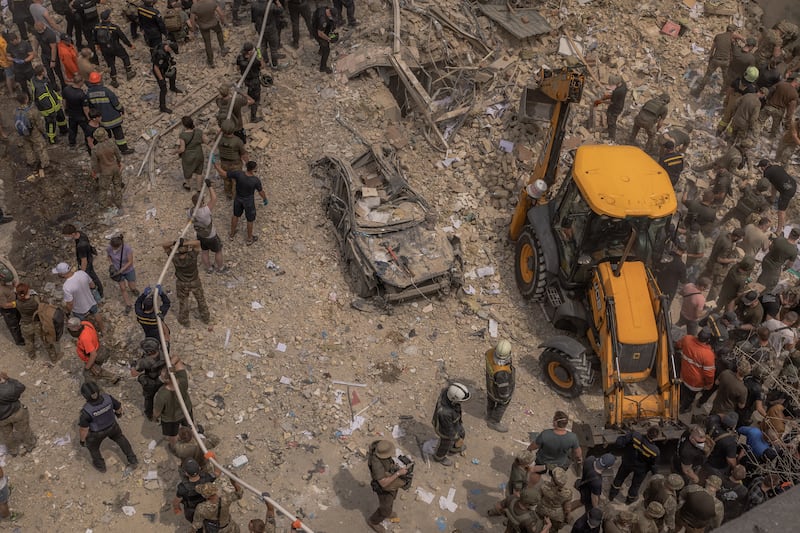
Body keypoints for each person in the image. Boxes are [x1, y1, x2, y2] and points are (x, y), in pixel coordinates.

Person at [77, 381, 137, 472]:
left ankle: (101, 467)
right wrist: (119, 414)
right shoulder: (108, 398)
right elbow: (118, 408)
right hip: (112, 426)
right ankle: (132, 460)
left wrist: (82, 441)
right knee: (120, 439)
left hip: (96, 433)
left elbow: (83, 429)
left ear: (85, 396)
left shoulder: (86, 411)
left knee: (93, 448)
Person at [214, 160, 268, 246]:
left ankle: (232, 234)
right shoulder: (255, 180)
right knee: (250, 219)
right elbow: (261, 192)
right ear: (253, 169)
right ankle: (249, 239)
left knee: (235, 215)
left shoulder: (239, 174)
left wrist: (216, 166)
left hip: (238, 199)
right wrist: (265, 199)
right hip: (248, 202)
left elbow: (224, 174)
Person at [162, 239, 209, 327]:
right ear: (187, 248)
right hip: (194, 281)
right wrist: (185, 243)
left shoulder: (174, 257)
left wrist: (175, 243)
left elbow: (164, 245)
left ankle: (184, 320)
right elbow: (198, 242)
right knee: (200, 299)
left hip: (182, 283)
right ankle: (205, 317)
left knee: (183, 302)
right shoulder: (192, 255)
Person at [85, 71, 134, 153]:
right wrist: (121, 109)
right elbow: (116, 103)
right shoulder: (106, 91)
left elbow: (91, 107)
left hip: (102, 120)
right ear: (99, 80)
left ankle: (109, 151)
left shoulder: (89, 94)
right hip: (114, 118)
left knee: (106, 136)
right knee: (119, 135)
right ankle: (124, 149)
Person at [527, 411, 582, 483]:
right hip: (560, 464)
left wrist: (529, 450)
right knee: (556, 478)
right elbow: (578, 453)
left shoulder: (545, 434)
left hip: (542, 461)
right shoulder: (572, 437)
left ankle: (531, 486)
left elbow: (534, 446)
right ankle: (551, 487)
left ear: (556, 423)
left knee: (537, 473)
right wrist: (579, 459)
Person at [609, 427, 660, 505]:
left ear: (647, 431)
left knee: (619, 478)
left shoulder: (635, 436)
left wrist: (622, 445)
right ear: (656, 437)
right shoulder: (655, 451)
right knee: (635, 485)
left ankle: (612, 495)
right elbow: (653, 464)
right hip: (641, 469)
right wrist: (655, 474)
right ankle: (629, 500)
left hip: (627, 462)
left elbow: (620, 442)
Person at [366, 439, 408, 532]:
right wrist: (398, 473)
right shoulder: (376, 463)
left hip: (389, 479)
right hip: (382, 488)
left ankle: (388, 512)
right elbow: (383, 483)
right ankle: (373, 521)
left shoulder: (380, 447)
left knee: (391, 498)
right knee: (385, 507)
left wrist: (395, 467)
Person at [16, 283, 62, 361]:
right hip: (37, 323)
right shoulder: (34, 300)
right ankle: (53, 357)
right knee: (46, 340)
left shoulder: (17, 303)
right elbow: (41, 305)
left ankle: (32, 355)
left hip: (25, 324)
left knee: (29, 341)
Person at [66, 317, 119, 384]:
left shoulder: (84, 338)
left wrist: (87, 367)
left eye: (71, 329)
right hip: (97, 346)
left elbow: (93, 354)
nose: (70, 331)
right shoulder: (85, 323)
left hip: (95, 354)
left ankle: (113, 377)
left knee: (95, 369)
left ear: (77, 328)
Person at [152, 357, 191, 445]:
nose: (160, 376)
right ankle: (187, 439)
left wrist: (154, 418)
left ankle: (173, 446)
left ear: (166, 379)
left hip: (171, 419)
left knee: (172, 435)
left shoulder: (162, 394)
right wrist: (170, 366)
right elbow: (177, 358)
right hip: (186, 411)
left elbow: (157, 412)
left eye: (162, 375)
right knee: (187, 429)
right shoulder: (182, 379)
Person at [693, 24, 741, 95]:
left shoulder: (718, 36)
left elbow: (712, 49)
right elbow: (734, 52)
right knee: (725, 79)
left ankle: (698, 91)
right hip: (725, 62)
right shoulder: (732, 40)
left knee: (707, 75)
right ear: (733, 32)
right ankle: (722, 93)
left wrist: (710, 58)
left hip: (715, 59)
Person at [677, 329, 716, 413]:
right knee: (690, 397)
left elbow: (678, 345)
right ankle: (684, 408)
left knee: (682, 390)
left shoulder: (687, 339)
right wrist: (709, 385)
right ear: (708, 340)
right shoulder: (708, 355)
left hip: (683, 375)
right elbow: (709, 374)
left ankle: (679, 401)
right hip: (695, 383)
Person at [93, 10, 136, 87]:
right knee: (125, 57)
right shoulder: (114, 27)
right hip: (116, 47)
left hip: (104, 49)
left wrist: (97, 45)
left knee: (110, 64)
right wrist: (130, 45)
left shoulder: (97, 27)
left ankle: (114, 80)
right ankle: (129, 73)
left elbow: (94, 38)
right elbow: (123, 37)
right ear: (108, 18)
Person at [431, 382, 470, 466]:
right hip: (444, 429)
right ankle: (439, 457)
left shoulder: (447, 394)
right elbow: (449, 429)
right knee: (445, 443)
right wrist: (456, 437)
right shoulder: (445, 412)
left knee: (461, 433)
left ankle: (454, 448)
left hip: (453, 421)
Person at [192, 186, 228, 274]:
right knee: (218, 251)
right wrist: (210, 186)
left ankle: (209, 268)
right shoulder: (205, 211)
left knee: (204, 251)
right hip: (211, 236)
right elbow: (214, 198)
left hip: (200, 235)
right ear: (202, 202)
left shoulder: (190, 212)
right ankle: (221, 268)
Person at [28, 64, 67, 144]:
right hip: (49, 109)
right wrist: (51, 110)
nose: (46, 71)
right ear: (42, 72)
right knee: (51, 123)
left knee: (61, 117)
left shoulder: (39, 80)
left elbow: (50, 91)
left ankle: (64, 130)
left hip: (54, 103)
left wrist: (57, 98)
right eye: (44, 70)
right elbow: (44, 101)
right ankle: (52, 139)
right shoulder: (40, 88)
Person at [0, 371, 36, 457]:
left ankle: (13, 451)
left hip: (1, 419)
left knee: (7, 434)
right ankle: (30, 445)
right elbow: (21, 387)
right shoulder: (8, 388)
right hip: (16, 412)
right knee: (24, 429)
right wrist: (8, 379)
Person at [62, 223, 103, 297]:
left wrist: (81, 273)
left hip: (86, 262)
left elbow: (84, 261)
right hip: (88, 257)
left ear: (72, 234)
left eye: (67, 236)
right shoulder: (80, 234)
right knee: (92, 275)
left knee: (90, 277)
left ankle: (99, 293)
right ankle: (99, 291)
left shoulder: (81, 245)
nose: (66, 238)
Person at [489, 450, 535, 516]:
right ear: (526, 464)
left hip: (512, 486)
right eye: (532, 462)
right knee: (508, 503)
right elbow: (517, 491)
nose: (533, 463)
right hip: (514, 491)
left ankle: (497, 510)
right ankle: (496, 511)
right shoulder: (518, 476)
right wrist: (529, 473)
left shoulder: (517, 463)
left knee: (507, 502)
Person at [14, 91, 50, 171]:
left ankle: (31, 161)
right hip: (34, 132)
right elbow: (39, 125)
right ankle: (45, 163)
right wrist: (43, 133)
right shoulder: (32, 111)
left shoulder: (15, 111)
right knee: (41, 147)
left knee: (28, 147)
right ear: (26, 99)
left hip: (23, 133)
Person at [173, 458, 217, 524]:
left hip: (192, 512)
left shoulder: (183, 488)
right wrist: (213, 458)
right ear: (199, 468)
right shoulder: (207, 478)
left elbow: (176, 502)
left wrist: (177, 509)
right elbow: (217, 473)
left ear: (186, 473)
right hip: (207, 507)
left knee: (196, 523)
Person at [484, 339, 515, 433]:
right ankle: (493, 422)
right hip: (497, 391)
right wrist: (506, 398)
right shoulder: (502, 373)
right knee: (502, 405)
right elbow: (503, 392)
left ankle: (489, 414)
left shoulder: (489, 353)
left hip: (490, 386)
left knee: (491, 400)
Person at [758, 228, 799, 292]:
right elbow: (789, 265)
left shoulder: (779, 239)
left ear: (790, 233)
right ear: (797, 238)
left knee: (763, 275)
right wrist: (784, 269)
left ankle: (756, 287)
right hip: (774, 267)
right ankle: (758, 292)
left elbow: (770, 247)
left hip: (766, 260)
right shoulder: (794, 251)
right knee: (770, 284)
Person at [91, 128, 123, 208]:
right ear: (106, 135)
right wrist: (119, 163)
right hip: (115, 168)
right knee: (117, 186)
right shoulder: (112, 144)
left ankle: (103, 204)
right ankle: (119, 202)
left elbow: (94, 164)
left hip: (105, 171)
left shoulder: (95, 149)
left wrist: (96, 172)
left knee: (103, 189)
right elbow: (118, 156)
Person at [189, 0, 227, 67]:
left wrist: (194, 29)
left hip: (203, 26)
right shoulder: (212, 2)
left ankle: (210, 61)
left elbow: (192, 20)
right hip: (214, 23)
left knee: (207, 42)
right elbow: (221, 13)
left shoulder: (195, 6)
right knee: (219, 32)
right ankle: (223, 48)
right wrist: (223, 21)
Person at [216, 119, 247, 198]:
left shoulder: (219, 139)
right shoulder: (237, 141)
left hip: (224, 163)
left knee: (226, 179)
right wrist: (248, 163)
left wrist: (221, 130)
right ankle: (236, 195)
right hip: (235, 164)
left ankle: (228, 193)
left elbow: (216, 137)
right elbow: (243, 154)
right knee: (236, 180)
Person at [704, 412, 740, 478]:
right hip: (716, 465)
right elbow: (731, 461)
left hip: (705, 453)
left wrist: (726, 418)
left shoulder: (712, 420)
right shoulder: (730, 442)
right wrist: (735, 468)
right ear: (734, 426)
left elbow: (719, 415)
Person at [236, 42, 265, 122]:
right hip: (254, 81)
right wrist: (260, 56)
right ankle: (253, 117)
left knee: (250, 91)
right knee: (256, 99)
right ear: (249, 52)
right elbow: (262, 66)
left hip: (246, 79)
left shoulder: (240, 58)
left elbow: (237, 68)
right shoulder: (254, 61)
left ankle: (249, 101)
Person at [151, 40, 182, 114]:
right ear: (169, 48)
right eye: (172, 51)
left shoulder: (164, 46)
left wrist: (170, 62)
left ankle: (172, 87)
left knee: (173, 73)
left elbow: (167, 57)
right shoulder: (160, 55)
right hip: (159, 71)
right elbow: (156, 67)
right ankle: (162, 107)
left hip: (165, 68)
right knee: (163, 89)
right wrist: (161, 79)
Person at [593, 74, 627, 140]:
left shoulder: (617, 91)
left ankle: (611, 137)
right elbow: (616, 97)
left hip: (615, 108)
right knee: (609, 117)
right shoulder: (623, 84)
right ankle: (608, 129)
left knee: (612, 121)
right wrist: (607, 97)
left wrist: (601, 101)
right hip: (619, 104)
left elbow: (612, 102)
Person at [62, 73, 90, 147]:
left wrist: (65, 109)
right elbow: (85, 108)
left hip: (71, 114)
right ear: (80, 82)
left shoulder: (66, 89)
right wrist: (89, 118)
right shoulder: (82, 94)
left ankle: (72, 143)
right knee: (86, 130)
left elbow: (64, 101)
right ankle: (88, 142)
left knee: (72, 129)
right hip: (81, 116)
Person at [178, 116, 206, 191]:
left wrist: (175, 151)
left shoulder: (182, 135)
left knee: (188, 171)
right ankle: (199, 189)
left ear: (184, 125)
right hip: (199, 154)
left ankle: (188, 185)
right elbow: (205, 141)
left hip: (188, 156)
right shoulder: (199, 131)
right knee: (199, 172)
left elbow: (182, 149)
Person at [34, 21, 63, 89]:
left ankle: (63, 84)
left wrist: (53, 60)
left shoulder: (50, 34)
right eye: (38, 31)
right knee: (49, 72)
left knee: (58, 71)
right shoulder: (37, 32)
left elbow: (53, 48)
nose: (39, 32)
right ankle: (54, 86)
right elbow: (36, 40)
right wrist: (35, 50)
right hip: (44, 54)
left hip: (52, 54)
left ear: (43, 26)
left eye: (40, 30)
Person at [0, 263, 23, 347]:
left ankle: (20, 329)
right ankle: (19, 341)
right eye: (8, 282)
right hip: (8, 310)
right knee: (13, 325)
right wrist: (16, 303)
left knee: (18, 318)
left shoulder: (6, 281)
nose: (10, 282)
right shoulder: (1, 291)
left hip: (14, 303)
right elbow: (4, 305)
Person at [311, 6, 336, 74]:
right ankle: (323, 67)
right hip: (317, 32)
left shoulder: (325, 8)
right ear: (329, 13)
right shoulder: (323, 21)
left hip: (318, 26)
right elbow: (320, 33)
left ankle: (320, 51)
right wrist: (329, 39)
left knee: (324, 42)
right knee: (326, 49)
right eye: (331, 16)